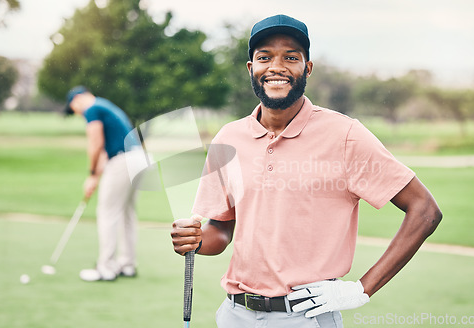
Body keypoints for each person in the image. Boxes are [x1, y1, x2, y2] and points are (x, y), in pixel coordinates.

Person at [171, 14, 442, 327]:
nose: (276, 67)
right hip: (235, 314)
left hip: (305, 317)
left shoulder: (346, 135)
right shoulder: (228, 138)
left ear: (307, 68)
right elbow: (220, 229)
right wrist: (194, 240)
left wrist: (360, 290)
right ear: (252, 69)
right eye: (264, 57)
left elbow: (425, 210)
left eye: (291, 57)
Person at [65, 86, 140, 281]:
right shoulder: (105, 105)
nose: (78, 113)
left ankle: (106, 267)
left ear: (78, 99)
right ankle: (127, 264)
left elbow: (96, 143)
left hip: (122, 160)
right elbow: (105, 150)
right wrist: (95, 177)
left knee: (107, 213)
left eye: (74, 108)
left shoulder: (92, 109)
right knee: (126, 213)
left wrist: (90, 174)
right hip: (138, 158)